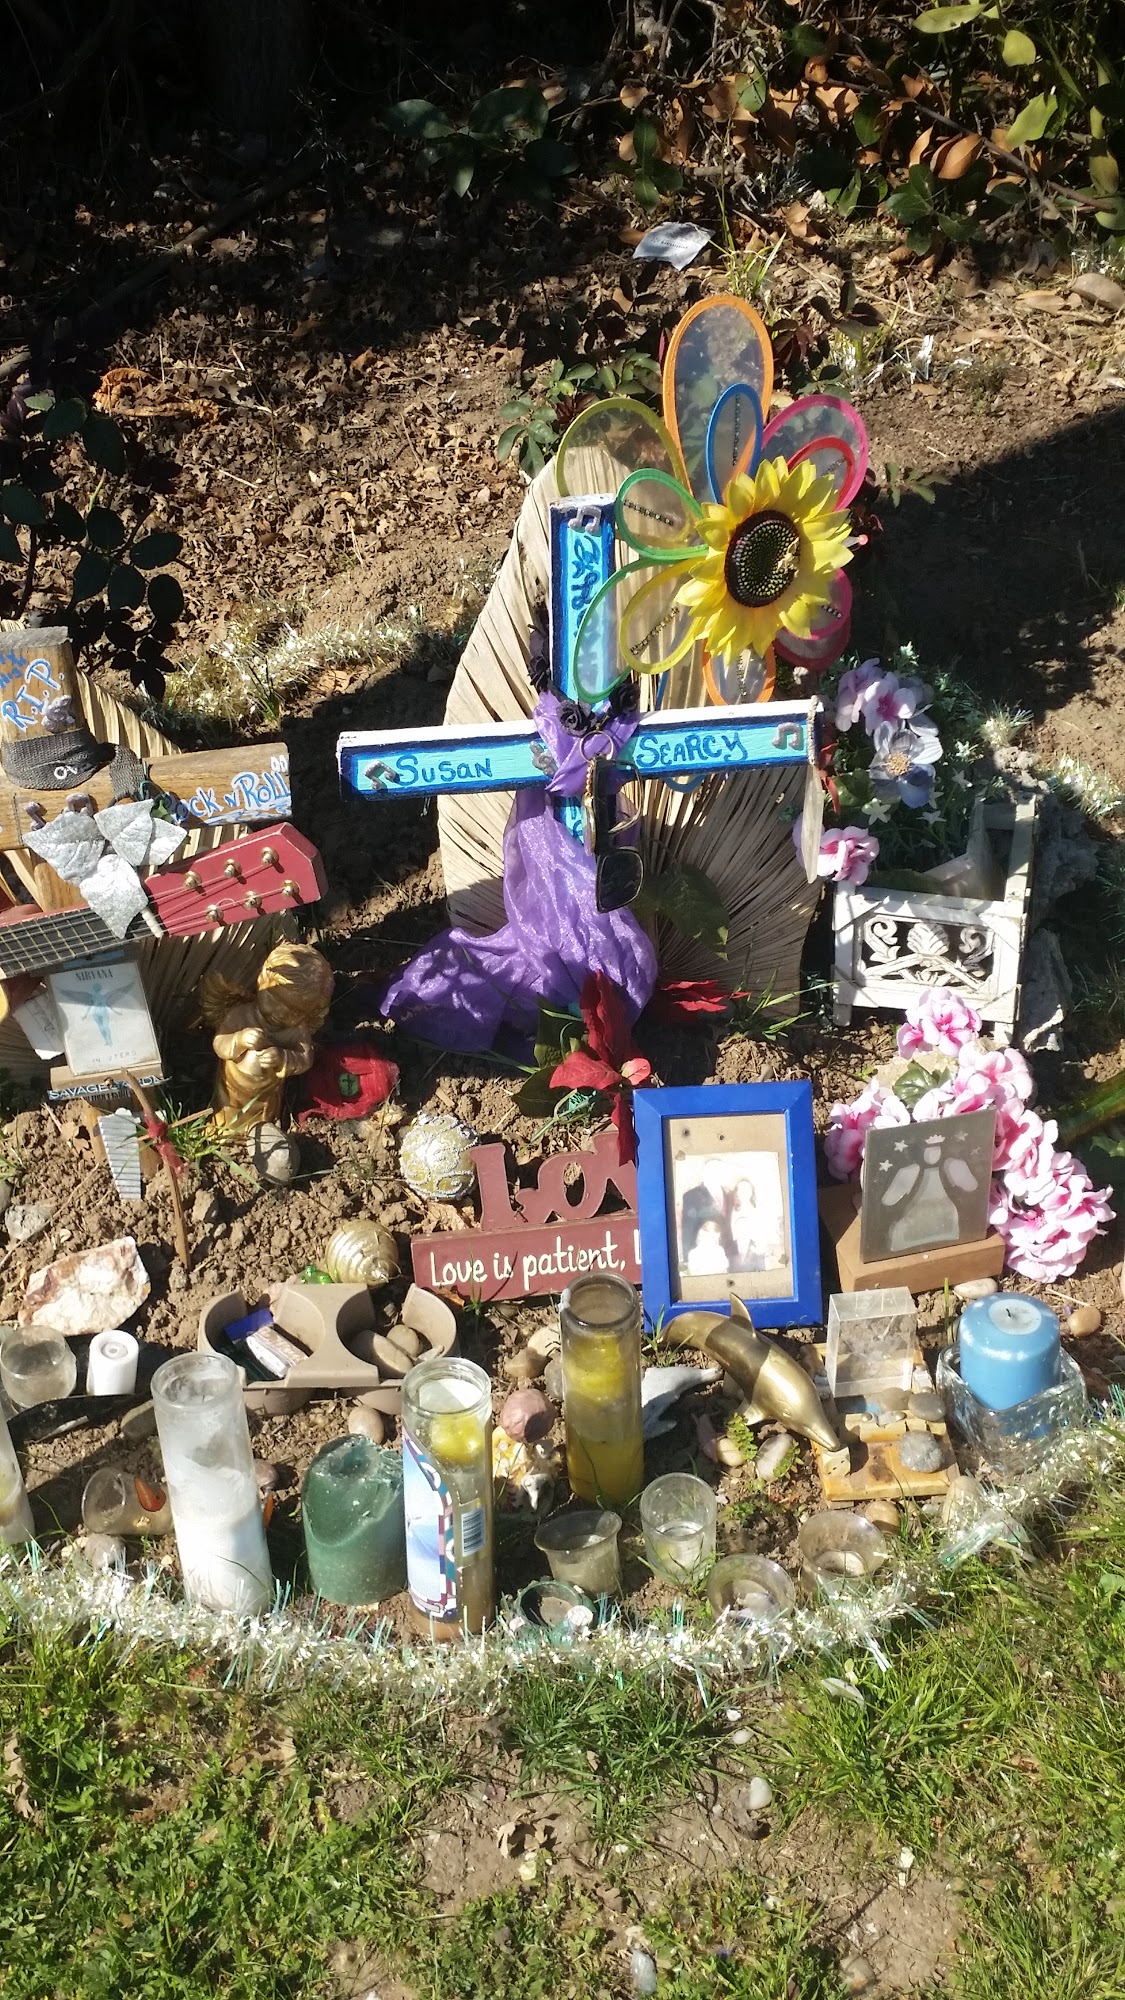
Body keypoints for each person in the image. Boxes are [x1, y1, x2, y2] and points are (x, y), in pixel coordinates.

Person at [679, 1157, 733, 1263]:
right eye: (713, 1170)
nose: (717, 1173)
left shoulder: (728, 1195)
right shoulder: (691, 1195)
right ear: (705, 1172)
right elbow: (687, 1230)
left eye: (719, 1170)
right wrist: (687, 1259)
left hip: (725, 1255)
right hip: (702, 1256)